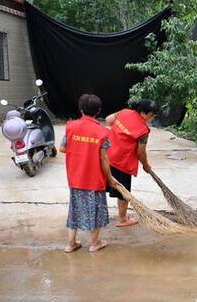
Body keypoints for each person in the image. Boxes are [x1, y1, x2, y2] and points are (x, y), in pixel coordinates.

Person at [60, 94, 115, 253]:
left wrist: (79, 150)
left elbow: (62, 148)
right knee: (95, 210)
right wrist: (110, 178)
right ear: (98, 111)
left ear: (81, 109)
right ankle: (95, 243)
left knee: (74, 210)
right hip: (94, 179)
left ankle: (71, 244)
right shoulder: (102, 132)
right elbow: (104, 159)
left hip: (75, 177)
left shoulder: (71, 126)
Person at [105, 100, 160, 227]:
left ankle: (96, 214)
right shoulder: (143, 130)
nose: (152, 118)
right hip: (122, 162)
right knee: (123, 192)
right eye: (152, 115)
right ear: (143, 113)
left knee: (104, 185)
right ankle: (123, 219)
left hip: (106, 156)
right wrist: (146, 165)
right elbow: (141, 152)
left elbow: (108, 120)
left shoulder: (124, 112)